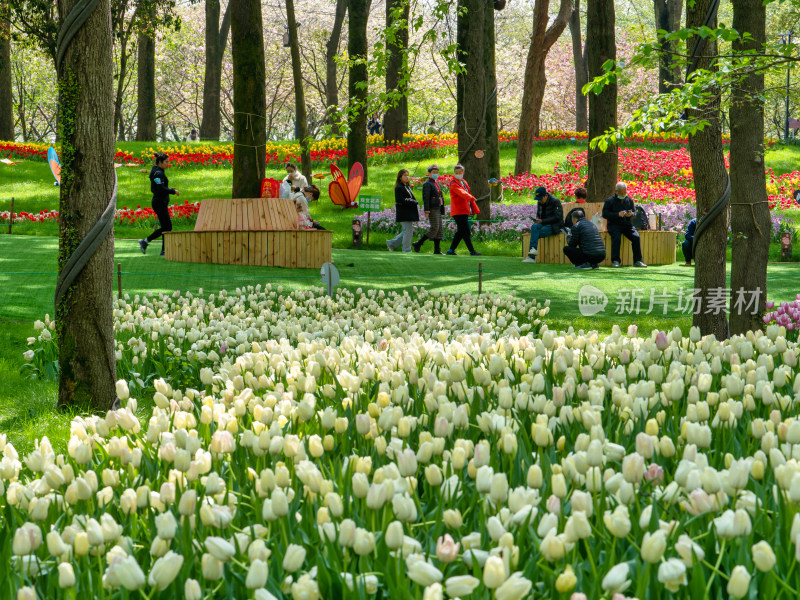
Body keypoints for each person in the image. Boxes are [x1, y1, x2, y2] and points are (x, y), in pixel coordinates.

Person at [139, 152, 178, 256]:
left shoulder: (158, 171)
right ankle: (145, 241)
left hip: (160, 202)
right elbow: (160, 188)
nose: (168, 164)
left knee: (166, 226)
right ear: (160, 162)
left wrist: (168, 190)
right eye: (166, 162)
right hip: (159, 202)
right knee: (167, 226)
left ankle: (164, 250)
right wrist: (172, 191)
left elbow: (159, 187)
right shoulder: (158, 173)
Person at [602, 182, 647, 268]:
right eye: (621, 192)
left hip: (627, 225)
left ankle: (637, 261)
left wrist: (631, 214)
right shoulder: (609, 201)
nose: (623, 194)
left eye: (624, 192)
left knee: (636, 237)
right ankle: (615, 261)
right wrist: (617, 214)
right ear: (616, 191)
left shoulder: (629, 200)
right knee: (616, 238)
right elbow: (605, 214)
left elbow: (634, 212)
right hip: (614, 225)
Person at [446, 164, 481, 256]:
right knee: (465, 231)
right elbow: (461, 193)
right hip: (458, 211)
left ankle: (450, 250)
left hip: (464, 210)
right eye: (456, 172)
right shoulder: (453, 183)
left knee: (461, 231)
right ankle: (472, 251)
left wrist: (470, 200)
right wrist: (471, 198)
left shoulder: (464, 182)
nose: (458, 174)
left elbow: (465, 192)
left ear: (463, 173)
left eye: (460, 172)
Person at [523, 186, 563, 263]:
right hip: (543, 223)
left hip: (554, 225)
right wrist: (537, 220)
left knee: (536, 233)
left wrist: (542, 221)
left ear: (546, 196)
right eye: (538, 199)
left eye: (541, 199)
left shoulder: (555, 201)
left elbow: (558, 217)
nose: (539, 201)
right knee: (534, 226)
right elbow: (539, 214)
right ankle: (533, 252)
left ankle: (531, 257)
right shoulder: (540, 202)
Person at [413, 164, 445, 254]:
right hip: (432, 208)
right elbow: (426, 198)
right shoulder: (427, 184)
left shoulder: (436, 183)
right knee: (434, 228)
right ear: (429, 173)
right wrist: (427, 210)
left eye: (437, 172)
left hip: (438, 208)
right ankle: (418, 243)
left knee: (439, 229)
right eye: (434, 172)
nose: (436, 174)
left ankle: (437, 250)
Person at [387, 169, 420, 252]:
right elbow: (400, 200)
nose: (407, 177)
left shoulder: (407, 187)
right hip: (404, 213)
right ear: (400, 177)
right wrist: (413, 201)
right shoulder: (399, 188)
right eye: (404, 175)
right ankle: (406, 249)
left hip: (408, 213)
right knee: (408, 231)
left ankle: (391, 243)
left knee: (406, 231)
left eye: (407, 175)